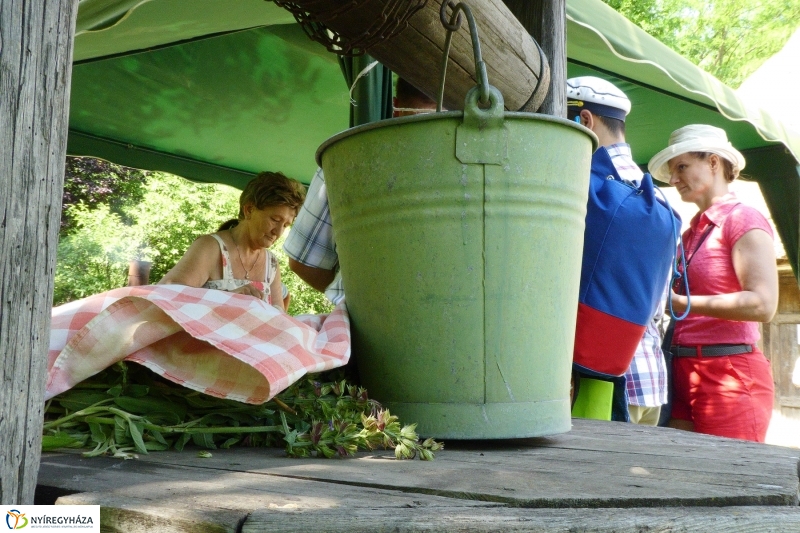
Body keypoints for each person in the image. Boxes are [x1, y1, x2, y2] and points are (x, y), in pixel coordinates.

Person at [648, 124, 778, 442]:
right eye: (671, 171)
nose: (673, 179)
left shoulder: (743, 219)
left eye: (681, 166)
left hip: (729, 374)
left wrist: (682, 303)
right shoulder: (690, 233)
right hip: (683, 372)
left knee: (732, 485)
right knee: (684, 483)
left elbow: (764, 304)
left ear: (713, 163)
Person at [567, 76, 669, 424]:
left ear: (584, 121)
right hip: (647, 375)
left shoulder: (580, 187)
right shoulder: (657, 196)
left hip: (595, 382)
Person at [284, 78, 438, 302]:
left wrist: (361, 298)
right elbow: (304, 263)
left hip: (364, 325)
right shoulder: (487, 166)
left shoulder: (345, 160)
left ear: (396, 107)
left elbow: (305, 261)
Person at [159, 171, 306, 311]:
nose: (279, 232)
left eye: (286, 225)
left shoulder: (271, 263)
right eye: (275, 220)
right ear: (249, 209)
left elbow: (278, 316)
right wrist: (226, 299)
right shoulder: (210, 247)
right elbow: (167, 293)